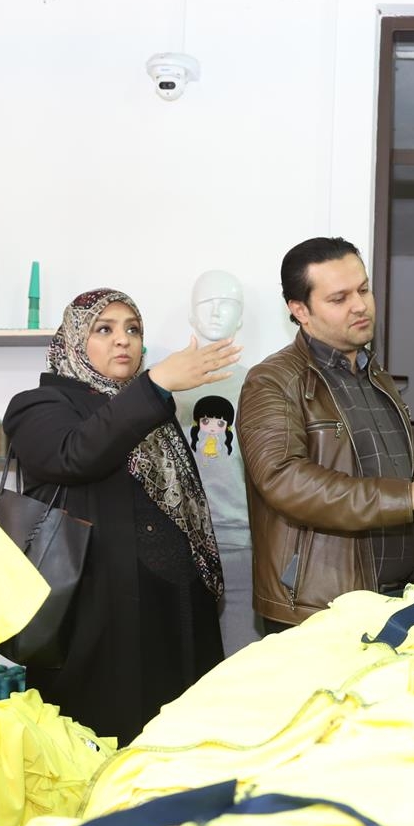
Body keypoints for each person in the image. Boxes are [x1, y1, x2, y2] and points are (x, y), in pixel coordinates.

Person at [3, 289, 238, 743]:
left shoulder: (149, 406)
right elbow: (75, 454)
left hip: (174, 604)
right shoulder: (39, 404)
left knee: (178, 741)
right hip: (98, 612)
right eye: (104, 329)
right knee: (100, 741)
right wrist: (156, 384)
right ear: (74, 340)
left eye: (133, 329)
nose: (123, 340)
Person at [240, 237, 414, 631]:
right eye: (339, 298)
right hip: (320, 608)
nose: (360, 305)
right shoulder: (273, 381)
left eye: (363, 290)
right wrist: (406, 496)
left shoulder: (375, 375)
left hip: (400, 597)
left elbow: (400, 467)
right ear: (300, 310)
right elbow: (284, 480)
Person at [172, 271, 262, 655]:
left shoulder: (259, 384)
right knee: (180, 661)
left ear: (241, 317)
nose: (215, 311)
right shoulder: (162, 385)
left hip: (239, 542)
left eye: (227, 303)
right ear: (191, 314)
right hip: (176, 545)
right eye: (206, 303)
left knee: (240, 658)